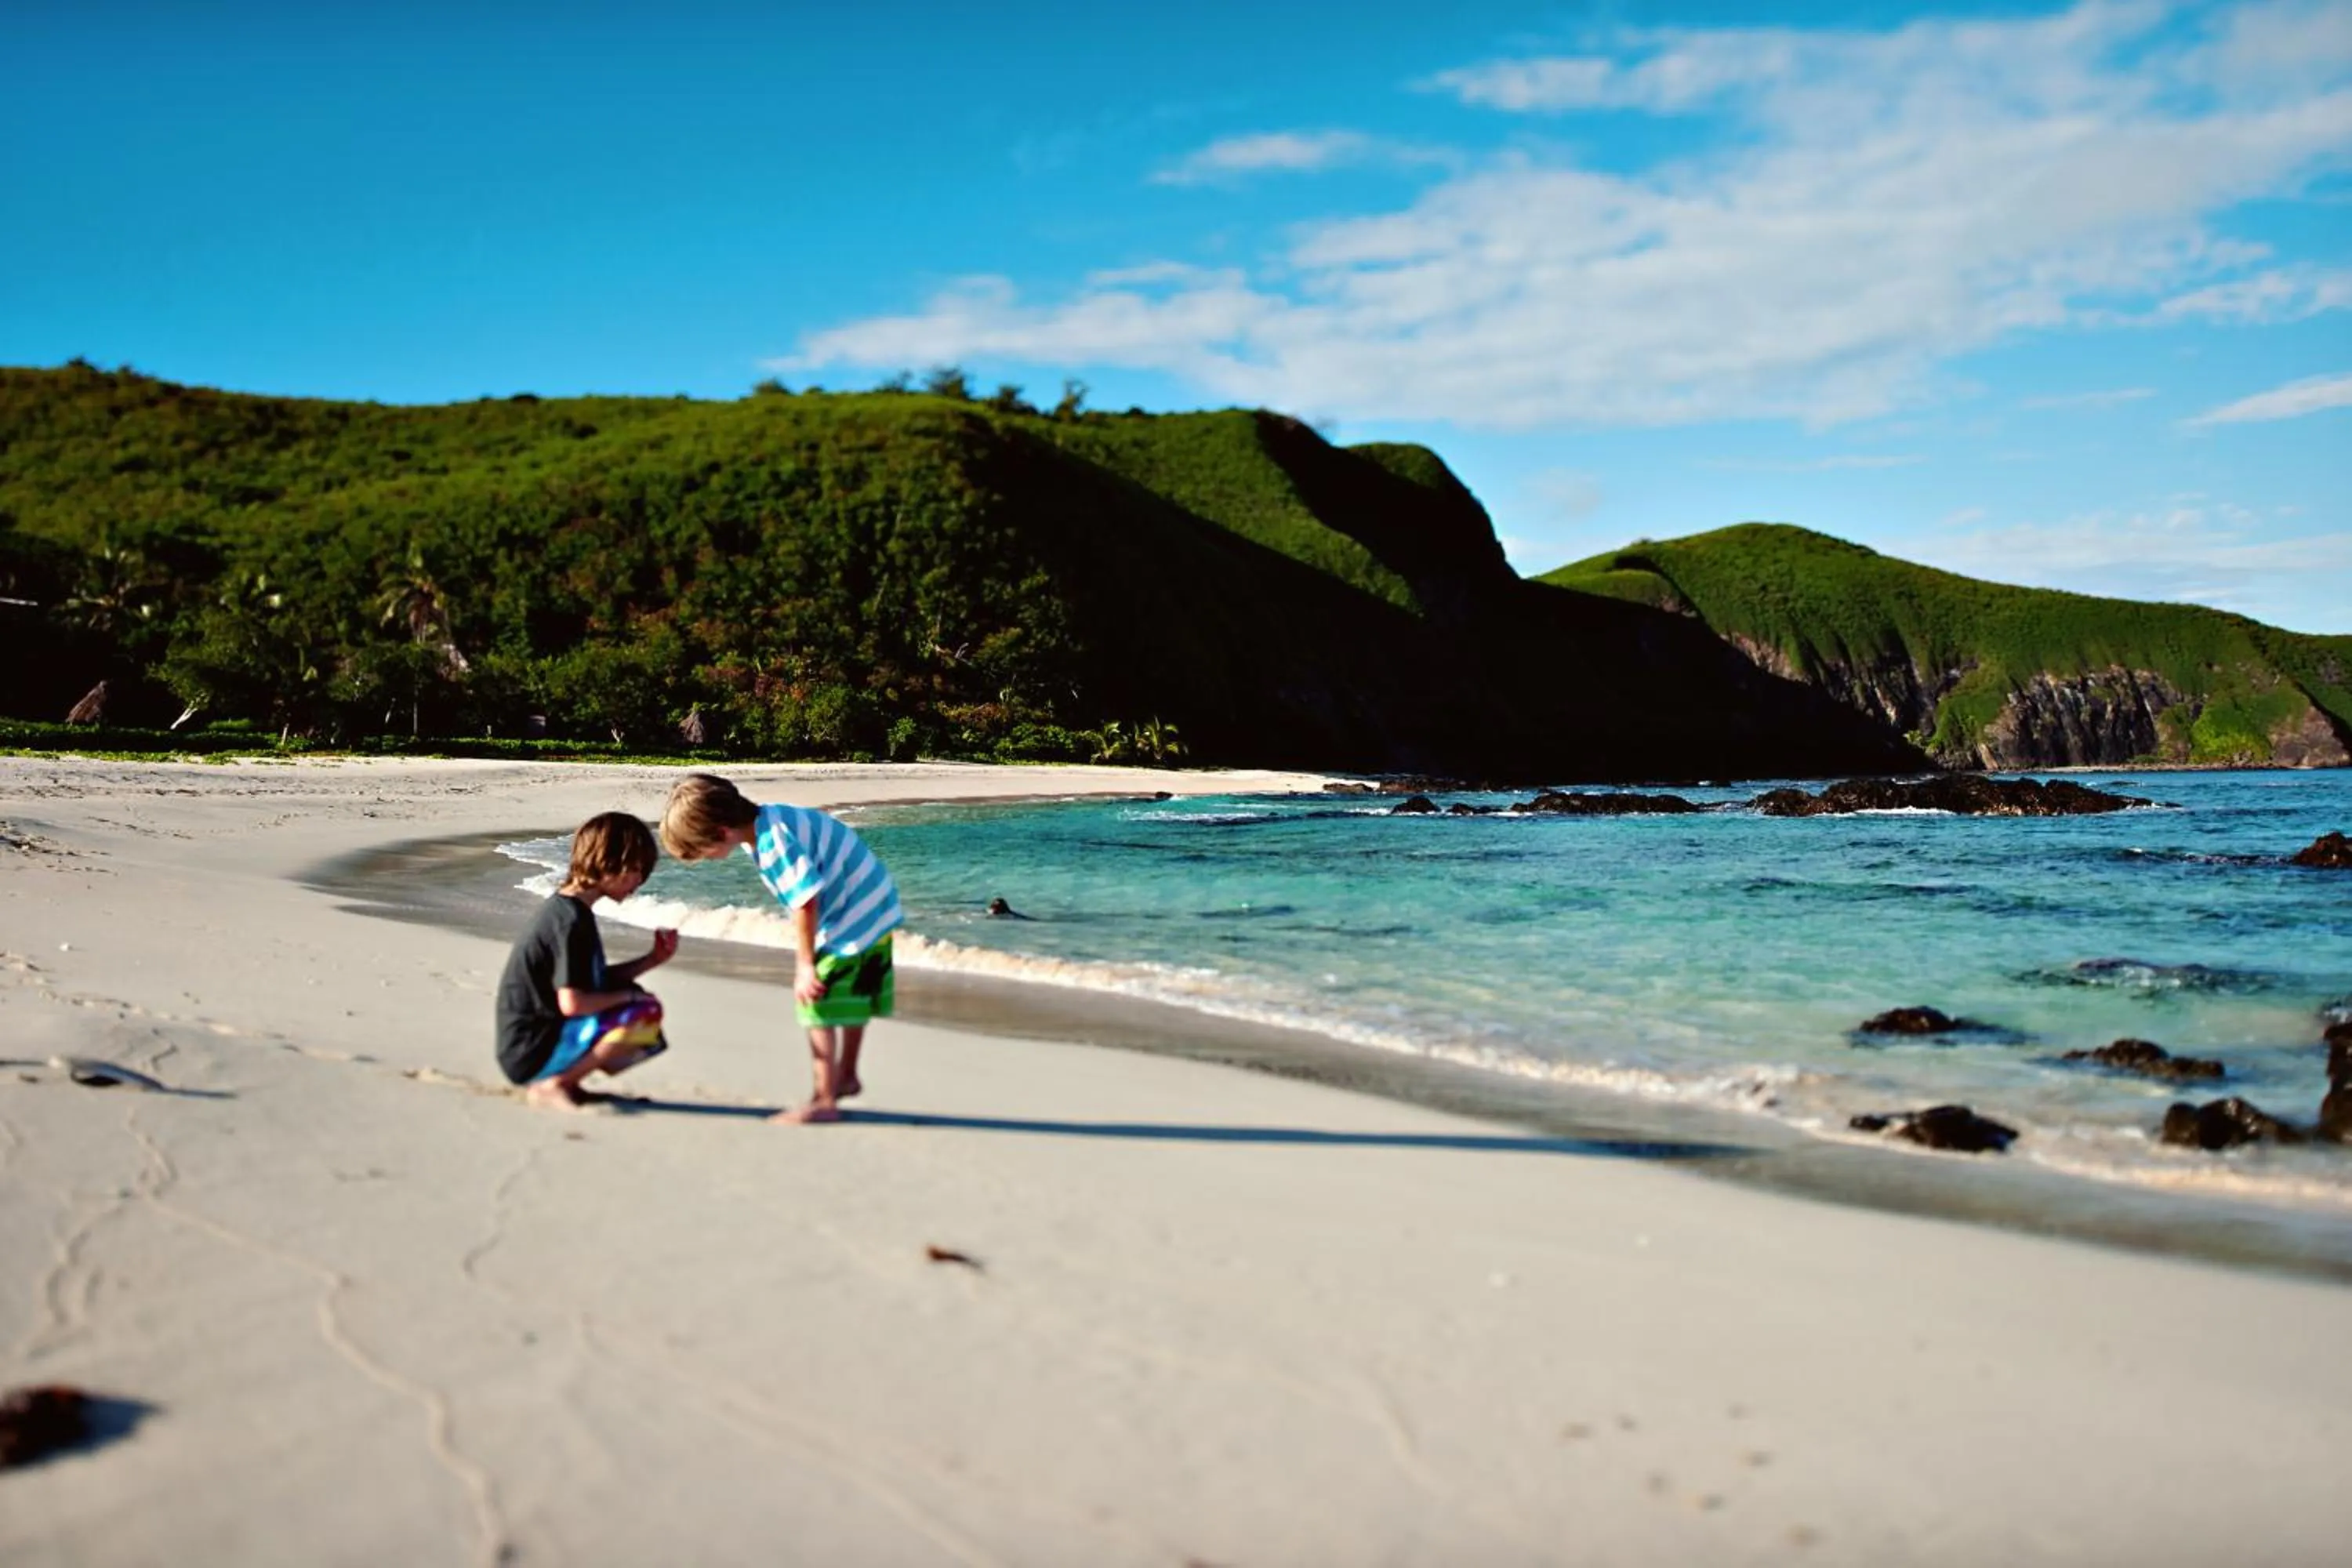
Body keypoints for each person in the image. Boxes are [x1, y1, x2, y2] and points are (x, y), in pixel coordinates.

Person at [659, 772, 901, 1124]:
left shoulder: (773, 846)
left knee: (815, 1002)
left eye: (703, 851)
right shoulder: (772, 818)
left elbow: (805, 901)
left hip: (850, 921)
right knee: (855, 993)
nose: (707, 859)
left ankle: (824, 1100)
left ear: (723, 833)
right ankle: (846, 1074)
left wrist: (805, 965)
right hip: (876, 906)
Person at [493, 811, 678, 1109]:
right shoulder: (570, 921)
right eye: (637, 870)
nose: (639, 882)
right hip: (528, 1052)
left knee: (636, 1000)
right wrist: (630, 996)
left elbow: (593, 982)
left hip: (527, 1046)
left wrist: (653, 959)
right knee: (643, 1010)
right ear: (611, 862)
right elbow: (575, 1003)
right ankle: (555, 1084)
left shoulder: (568, 910)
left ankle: (569, 1080)